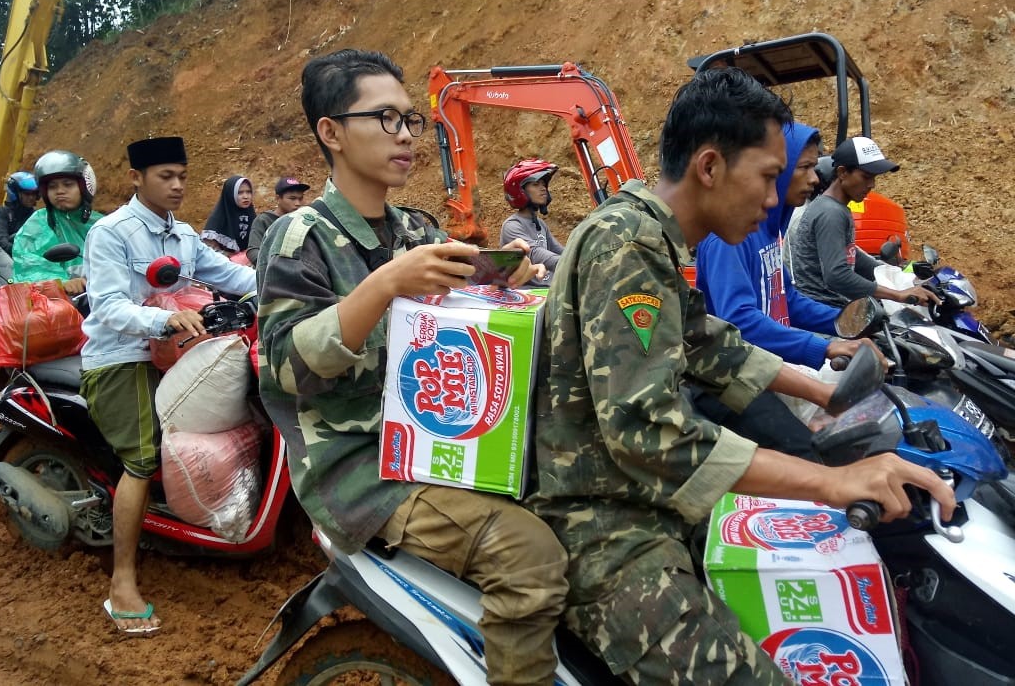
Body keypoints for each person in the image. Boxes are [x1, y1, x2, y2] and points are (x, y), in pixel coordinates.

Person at [525, 68, 956, 685]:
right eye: (764, 176)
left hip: (656, 501)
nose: (774, 196)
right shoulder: (626, 246)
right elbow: (650, 432)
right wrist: (831, 481)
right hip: (607, 526)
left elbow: (709, 343)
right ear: (709, 166)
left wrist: (826, 391)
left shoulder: (651, 237)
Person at [255, 48, 568, 685]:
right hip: (360, 466)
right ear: (332, 132)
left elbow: (459, 310)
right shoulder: (299, 236)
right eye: (386, 119)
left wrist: (503, 275)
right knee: (528, 557)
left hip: (437, 438)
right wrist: (385, 286)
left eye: (410, 121)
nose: (405, 135)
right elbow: (284, 366)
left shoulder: (413, 230)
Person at [80, 136, 257, 634]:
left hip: (175, 350)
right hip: (122, 357)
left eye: (182, 175)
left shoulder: (182, 235)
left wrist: (288, 283)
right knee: (143, 457)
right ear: (137, 178)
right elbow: (110, 307)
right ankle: (122, 584)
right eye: (166, 176)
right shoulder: (111, 233)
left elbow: (229, 275)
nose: (178, 185)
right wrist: (167, 322)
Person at [697, 121, 869, 369]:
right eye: (805, 168)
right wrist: (825, 346)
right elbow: (738, 320)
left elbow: (787, 299)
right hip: (734, 379)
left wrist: (845, 319)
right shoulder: (729, 238)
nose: (814, 178)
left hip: (770, 368)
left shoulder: (768, 230)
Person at [785, 135, 937, 309]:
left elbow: (853, 258)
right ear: (842, 173)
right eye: (866, 177)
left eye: (874, 178)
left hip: (832, 309)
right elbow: (837, 275)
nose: (871, 184)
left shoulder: (833, 207)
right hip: (826, 314)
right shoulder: (831, 213)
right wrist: (898, 295)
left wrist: (904, 278)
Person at [12, 150, 104, 294]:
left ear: (84, 186)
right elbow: (28, 264)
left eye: (68, 184)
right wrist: (61, 282)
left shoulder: (102, 224)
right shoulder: (38, 224)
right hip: (59, 304)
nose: (60, 191)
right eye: (52, 186)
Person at [499, 158, 563, 286]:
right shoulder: (512, 225)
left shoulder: (540, 224)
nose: (543, 188)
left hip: (547, 290)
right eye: (535, 184)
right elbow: (533, 252)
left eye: (543, 184)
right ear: (520, 191)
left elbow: (558, 250)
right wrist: (571, 263)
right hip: (527, 293)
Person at [245, 175, 310, 265]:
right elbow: (253, 251)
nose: (297, 203)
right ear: (278, 198)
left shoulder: (302, 220)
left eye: (300, 198)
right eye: (292, 198)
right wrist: (271, 267)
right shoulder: (264, 220)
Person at [201, 175, 256, 256]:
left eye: (248, 192)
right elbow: (208, 254)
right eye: (240, 193)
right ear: (230, 194)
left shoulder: (252, 216)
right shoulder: (218, 219)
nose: (246, 196)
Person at [0, 170, 39, 255]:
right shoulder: (0, 213)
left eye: (34, 194)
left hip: (28, 263)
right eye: (27, 194)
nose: (31, 198)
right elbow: (1, 242)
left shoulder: (36, 216)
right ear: (15, 193)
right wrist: (23, 254)